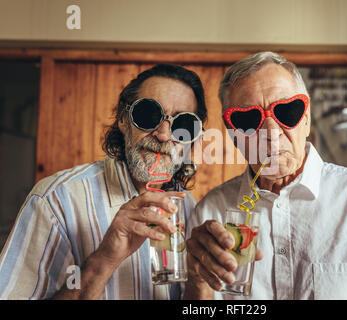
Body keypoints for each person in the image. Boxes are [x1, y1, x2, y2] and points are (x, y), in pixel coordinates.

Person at [184, 51, 347, 300]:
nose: (271, 130)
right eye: (248, 119)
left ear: (307, 118)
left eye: (286, 111)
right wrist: (197, 283)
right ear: (233, 135)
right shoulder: (212, 214)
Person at [0, 64, 207, 300]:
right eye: (148, 114)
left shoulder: (189, 208)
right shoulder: (56, 200)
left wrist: (201, 282)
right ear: (122, 118)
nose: (163, 134)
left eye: (183, 124)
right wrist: (104, 260)